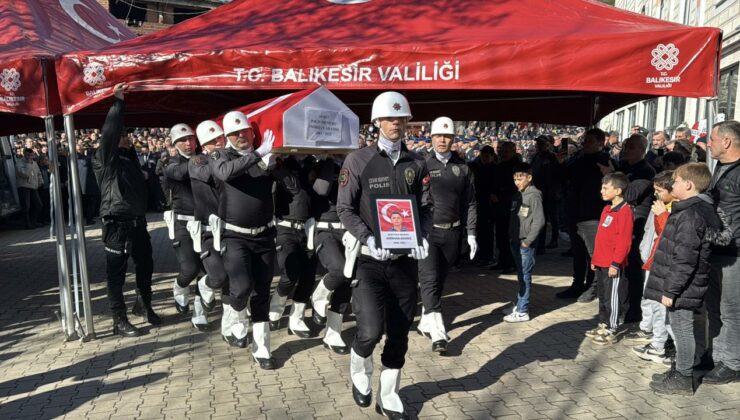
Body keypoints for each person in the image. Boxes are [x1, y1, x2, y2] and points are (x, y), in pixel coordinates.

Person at [337, 91, 431, 419]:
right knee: (370, 330)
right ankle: (360, 374)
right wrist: (367, 237)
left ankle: (389, 393)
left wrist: (422, 236)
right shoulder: (357, 160)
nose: (396, 123)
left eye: (401, 118)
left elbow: (426, 207)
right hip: (369, 260)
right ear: (377, 122)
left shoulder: (417, 162)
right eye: (390, 118)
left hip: (404, 261)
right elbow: (345, 208)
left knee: (400, 330)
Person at [645, 163, 721, 395]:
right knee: (680, 327)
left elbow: (685, 257)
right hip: (681, 284)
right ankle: (679, 369)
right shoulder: (686, 210)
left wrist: (671, 290)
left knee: (682, 329)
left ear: (688, 185)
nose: (672, 185)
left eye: (676, 181)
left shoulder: (690, 214)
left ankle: (684, 378)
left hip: (683, 286)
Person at [210, 110, 276, 369]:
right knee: (241, 287)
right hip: (235, 236)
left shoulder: (261, 155)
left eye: (245, 132)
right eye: (235, 134)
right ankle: (233, 315)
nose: (241, 137)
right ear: (227, 137)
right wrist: (258, 155)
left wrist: (272, 161)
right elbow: (225, 173)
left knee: (262, 291)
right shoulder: (220, 155)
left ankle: (262, 348)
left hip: (264, 234)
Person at [94, 83, 159, 337]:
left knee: (146, 264)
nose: (126, 137)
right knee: (116, 274)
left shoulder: (128, 159)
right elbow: (109, 133)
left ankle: (144, 306)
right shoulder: (106, 159)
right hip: (116, 223)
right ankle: (118, 320)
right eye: (122, 134)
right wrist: (118, 103)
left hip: (137, 222)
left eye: (127, 134)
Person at [417, 116, 477, 354]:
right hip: (428, 232)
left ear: (453, 139)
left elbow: (471, 203)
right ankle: (439, 333)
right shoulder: (420, 164)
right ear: (430, 138)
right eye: (438, 136)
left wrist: (471, 233)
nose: (442, 140)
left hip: (452, 234)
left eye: (447, 136)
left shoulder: (462, 168)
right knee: (429, 279)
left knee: (439, 281)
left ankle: (425, 320)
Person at [190, 120, 236, 346]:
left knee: (231, 281)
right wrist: (222, 156)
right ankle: (204, 285)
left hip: (229, 229)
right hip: (208, 231)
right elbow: (210, 174)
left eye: (221, 138)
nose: (220, 143)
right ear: (205, 145)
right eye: (214, 141)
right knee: (218, 277)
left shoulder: (225, 159)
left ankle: (228, 327)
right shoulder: (197, 161)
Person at [558, 128, 615, 302]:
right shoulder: (579, 159)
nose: (585, 144)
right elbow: (563, 178)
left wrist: (611, 175)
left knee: (593, 255)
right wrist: (560, 163)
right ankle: (577, 284)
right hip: (575, 214)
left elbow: (616, 186)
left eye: (589, 141)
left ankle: (593, 286)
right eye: (584, 140)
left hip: (594, 216)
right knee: (578, 253)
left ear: (601, 142)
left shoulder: (606, 161)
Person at [163, 123, 209, 332]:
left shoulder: (204, 159)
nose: (188, 143)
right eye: (182, 140)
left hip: (207, 223)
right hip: (183, 223)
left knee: (206, 271)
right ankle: (180, 286)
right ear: (174, 144)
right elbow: (181, 173)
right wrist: (204, 158)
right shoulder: (171, 163)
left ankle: (199, 313)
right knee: (190, 268)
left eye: (191, 139)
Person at [704, 120, 740, 384]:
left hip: (735, 252)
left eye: (712, 139)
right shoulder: (718, 166)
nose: (708, 144)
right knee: (713, 307)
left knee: (732, 310)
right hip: (715, 247)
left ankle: (733, 363)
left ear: (726, 142)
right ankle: (717, 355)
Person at [267, 154, 316, 339]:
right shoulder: (281, 164)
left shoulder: (312, 164)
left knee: (308, 276)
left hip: (309, 228)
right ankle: (276, 307)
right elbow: (293, 186)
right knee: (290, 272)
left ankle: (297, 318)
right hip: (286, 228)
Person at [628, 171, 675, 364]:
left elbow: (670, 236)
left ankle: (662, 346)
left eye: (660, 191)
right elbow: (651, 233)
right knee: (651, 302)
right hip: (653, 259)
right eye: (654, 190)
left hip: (665, 264)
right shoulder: (660, 206)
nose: (656, 195)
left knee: (662, 309)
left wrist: (662, 215)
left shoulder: (674, 209)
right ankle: (656, 340)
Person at [309, 155, 352, 354]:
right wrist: (329, 162)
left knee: (348, 280)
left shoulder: (354, 163)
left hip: (349, 230)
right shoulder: (318, 165)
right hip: (325, 227)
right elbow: (321, 190)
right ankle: (318, 296)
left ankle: (333, 332)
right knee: (338, 270)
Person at [585, 172, 633, 345]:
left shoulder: (625, 211)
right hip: (600, 261)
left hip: (613, 263)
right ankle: (602, 323)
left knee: (612, 296)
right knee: (603, 294)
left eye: (606, 188)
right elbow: (601, 237)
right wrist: (595, 259)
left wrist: (616, 263)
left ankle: (611, 327)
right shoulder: (607, 209)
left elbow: (624, 241)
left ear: (618, 190)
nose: (601, 191)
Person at [504, 162, 544, 323]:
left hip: (524, 242)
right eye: (515, 179)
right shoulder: (518, 194)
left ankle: (522, 310)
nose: (517, 182)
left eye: (520, 179)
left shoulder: (534, 195)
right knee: (521, 275)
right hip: (515, 240)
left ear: (529, 178)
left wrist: (528, 241)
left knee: (525, 275)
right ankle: (519, 303)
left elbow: (539, 220)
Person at [15, 148, 43, 229]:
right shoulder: (19, 163)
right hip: (24, 186)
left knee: (38, 205)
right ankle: (27, 224)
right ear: (24, 154)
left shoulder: (34, 163)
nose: (30, 157)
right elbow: (25, 175)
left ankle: (33, 222)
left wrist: (40, 181)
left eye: (31, 155)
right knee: (26, 207)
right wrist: (28, 164)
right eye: (28, 155)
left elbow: (38, 173)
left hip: (33, 186)